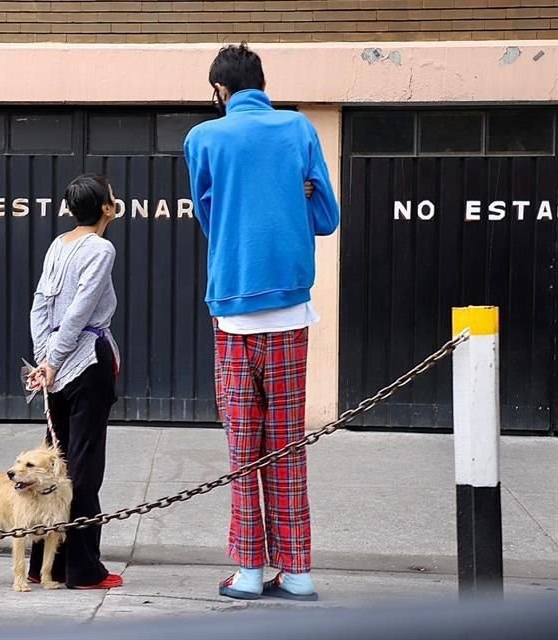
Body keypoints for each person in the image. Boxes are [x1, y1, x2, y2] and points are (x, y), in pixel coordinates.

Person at [184, 44, 340, 601]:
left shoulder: (203, 138)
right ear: (262, 83)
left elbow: (209, 216)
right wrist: (293, 193)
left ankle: (248, 571)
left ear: (220, 91)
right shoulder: (298, 129)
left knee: (243, 448)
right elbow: (327, 217)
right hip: (292, 309)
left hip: (233, 309)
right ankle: (297, 572)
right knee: (288, 445)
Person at [26, 173, 124, 590]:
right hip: (86, 361)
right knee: (83, 466)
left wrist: (44, 359)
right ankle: (83, 570)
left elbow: (39, 305)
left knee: (55, 460)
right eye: (113, 197)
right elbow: (81, 310)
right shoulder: (101, 248)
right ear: (106, 208)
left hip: (56, 363)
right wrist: (55, 358)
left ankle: (43, 565)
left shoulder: (57, 244)